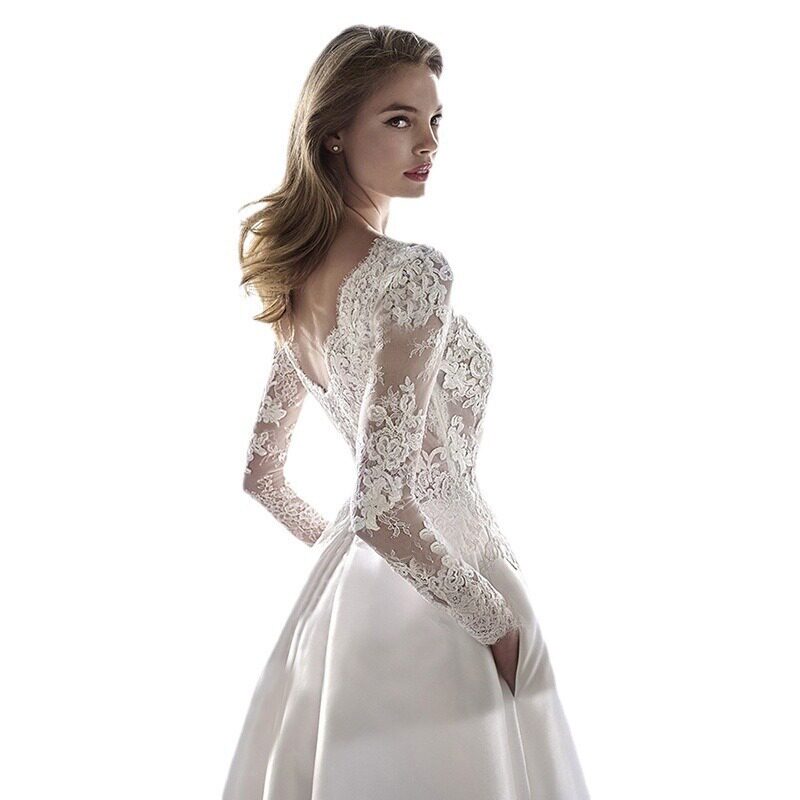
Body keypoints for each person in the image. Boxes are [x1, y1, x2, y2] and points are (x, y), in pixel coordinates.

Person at [223, 24, 591, 800]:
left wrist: (340, 556)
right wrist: (495, 625)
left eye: (435, 120)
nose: (428, 143)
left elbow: (264, 477)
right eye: (399, 120)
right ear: (332, 133)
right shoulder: (414, 274)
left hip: (350, 607)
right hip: (449, 599)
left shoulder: (294, 283)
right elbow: (381, 505)